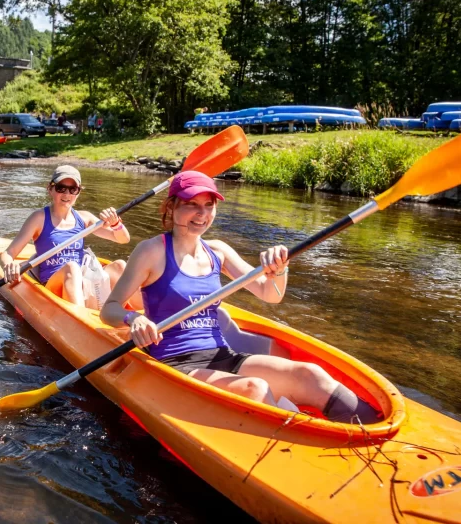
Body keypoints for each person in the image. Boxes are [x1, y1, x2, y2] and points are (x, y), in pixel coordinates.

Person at [99, 171, 380, 424]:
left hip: (222, 356)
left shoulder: (218, 251)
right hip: (175, 362)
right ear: (171, 207)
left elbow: (271, 295)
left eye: (209, 205)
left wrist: (279, 270)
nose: (202, 214)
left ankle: (378, 434)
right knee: (254, 389)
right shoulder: (151, 251)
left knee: (311, 375)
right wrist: (133, 318)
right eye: (192, 204)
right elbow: (109, 309)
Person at [0, 165, 139, 308]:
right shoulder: (39, 218)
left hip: (82, 281)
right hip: (53, 284)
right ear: (50, 189)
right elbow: (8, 254)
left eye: (73, 189)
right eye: (61, 188)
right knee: (71, 268)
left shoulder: (84, 218)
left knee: (120, 266)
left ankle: (144, 316)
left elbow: (123, 239)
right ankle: (79, 320)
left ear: (78, 192)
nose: (67, 194)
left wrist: (115, 223)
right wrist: (8, 265)